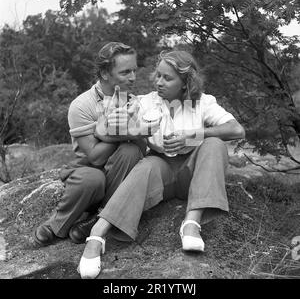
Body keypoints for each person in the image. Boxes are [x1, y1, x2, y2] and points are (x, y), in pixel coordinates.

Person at [77, 49, 245, 279]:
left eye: (167, 78)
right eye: (158, 76)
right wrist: (135, 128)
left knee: (214, 144)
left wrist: (193, 136)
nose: (159, 82)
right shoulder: (145, 102)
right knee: (146, 166)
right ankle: (96, 236)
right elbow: (101, 129)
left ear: (185, 82)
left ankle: (191, 224)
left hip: (194, 174)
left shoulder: (204, 102)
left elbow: (236, 130)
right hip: (161, 171)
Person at [33, 42, 159, 247]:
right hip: (88, 169)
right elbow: (95, 156)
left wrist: (119, 132)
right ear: (105, 73)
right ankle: (57, 224)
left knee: (130, 151)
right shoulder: (82, 105)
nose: (133, 78)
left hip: (121, 174)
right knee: (93, 178)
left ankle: (99, 218)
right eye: (126, 72)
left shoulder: (134, 102)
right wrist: (122, 132)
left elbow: (141, 145)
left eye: (134, 71)